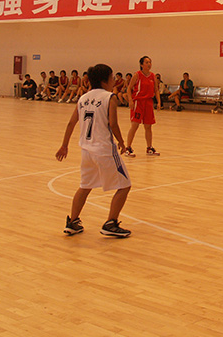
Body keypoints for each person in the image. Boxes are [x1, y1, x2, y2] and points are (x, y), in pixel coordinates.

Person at [55, 63, 131, 238]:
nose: (113, 80)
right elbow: (113, 124)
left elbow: (71, 123)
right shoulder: (110, 97)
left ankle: (73, 222)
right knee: (125, 185)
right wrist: (121, 142)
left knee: (85, 186)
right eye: (112, 77)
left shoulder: (83, 98)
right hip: (104, 150)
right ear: (105, 80)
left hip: (86, 150)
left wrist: (64, 145)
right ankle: (111, 223)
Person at [126, 56, 158, 156]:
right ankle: (128, 148)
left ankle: (149, 147)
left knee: (148, 126)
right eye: (146, 62)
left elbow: (156, 90)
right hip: (138, 102)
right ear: (141, 64)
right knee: (135, 125)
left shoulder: (153, 76)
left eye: (150, 62)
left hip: (148, 102)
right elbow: (129, 88)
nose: (149, 64)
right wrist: (130, 100)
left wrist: (159, 102)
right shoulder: (137, 75)